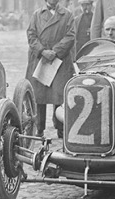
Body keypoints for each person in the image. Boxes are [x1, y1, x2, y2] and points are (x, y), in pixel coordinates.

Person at [26, 0, 75, 137]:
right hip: (40, 59)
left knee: (59, 95)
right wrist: (42, 51)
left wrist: (55, 51)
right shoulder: (36, 15)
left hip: (60, 59)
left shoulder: (67, 15)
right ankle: (39, 128)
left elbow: (70, 36)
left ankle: (61, 128)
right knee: (39, 96)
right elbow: (31, 35)